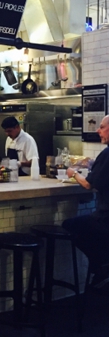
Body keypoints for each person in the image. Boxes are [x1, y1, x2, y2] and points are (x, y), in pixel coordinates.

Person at [63, 115, 109, 292]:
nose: (98, 130)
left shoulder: (107, 153)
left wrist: (73, 173)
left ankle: (101, 265)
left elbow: (89, 184)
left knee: (69, 225)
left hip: (105, 218)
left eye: (103, 127)